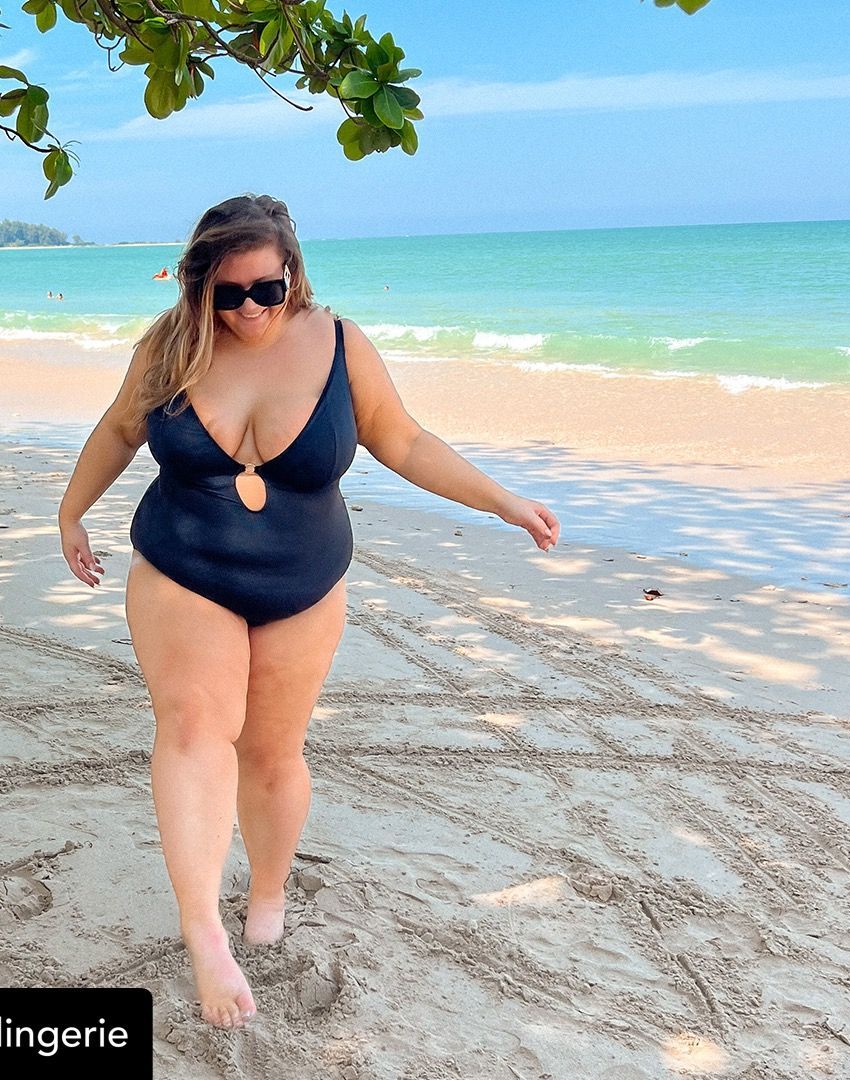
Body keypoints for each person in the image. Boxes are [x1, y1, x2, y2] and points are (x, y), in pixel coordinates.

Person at [56, 194, 560, 1032]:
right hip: (184, 567)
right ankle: (202, 929)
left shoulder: (339, 343)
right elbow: (117, 430)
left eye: (267, 289)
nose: (249, 310)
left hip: (305, 580)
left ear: (294, 274)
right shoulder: (170, 345)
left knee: (273, 752)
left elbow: (401, 439)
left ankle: (267, 889)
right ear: (198, 287)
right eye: (228, 293)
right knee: (192, 727)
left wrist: (501, 501)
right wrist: (72, 513)